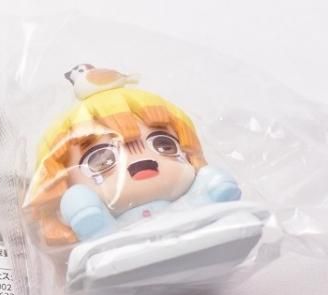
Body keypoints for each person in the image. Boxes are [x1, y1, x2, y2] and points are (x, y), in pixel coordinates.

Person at [24, 82, 241, 244]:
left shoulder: (186, 205)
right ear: (62, 182)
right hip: (115, 242)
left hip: (192, 229)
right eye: (102, 159)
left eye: (164, 145)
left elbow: (210, 190)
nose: (141, 162)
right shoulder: (104, 223)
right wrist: (85, 215)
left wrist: (210, 190)